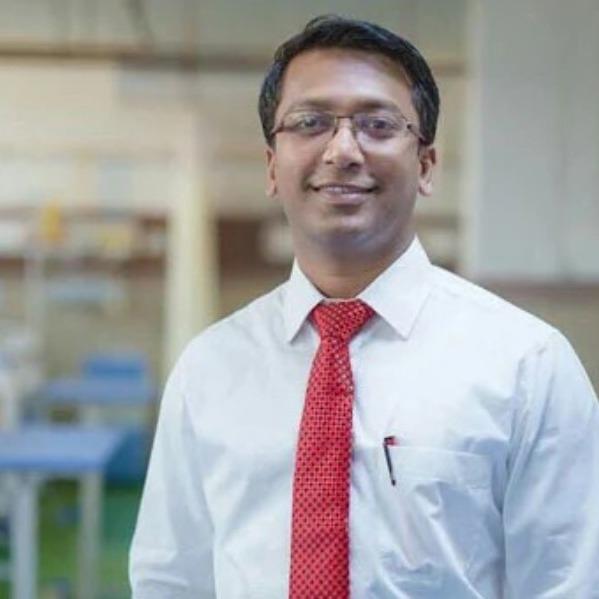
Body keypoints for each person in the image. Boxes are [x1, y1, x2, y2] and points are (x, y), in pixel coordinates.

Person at [129, 15, 599, 598]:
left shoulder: (527, 367)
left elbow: (567, 582)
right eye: (310, 123)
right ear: (272, 166)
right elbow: (172, 579)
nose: (343, 150)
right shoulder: (210, 368)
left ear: (426, 165)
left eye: (377, 124)